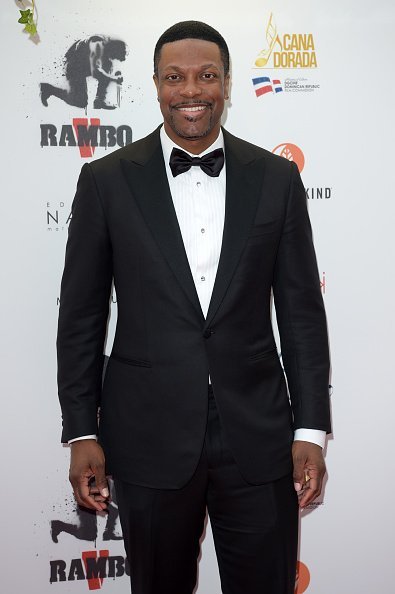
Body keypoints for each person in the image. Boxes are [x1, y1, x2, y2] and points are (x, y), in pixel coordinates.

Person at [57, 20, 331, 594]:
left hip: (257, 437)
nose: (191, 91)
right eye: (175, 77)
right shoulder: (106, 182)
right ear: (155, 84)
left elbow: (302, 314)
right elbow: (81, 317)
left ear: (227, 84)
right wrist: (83, 432)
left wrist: (310, 429)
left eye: (207, 76)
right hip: (146, 436)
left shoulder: (277, 180)